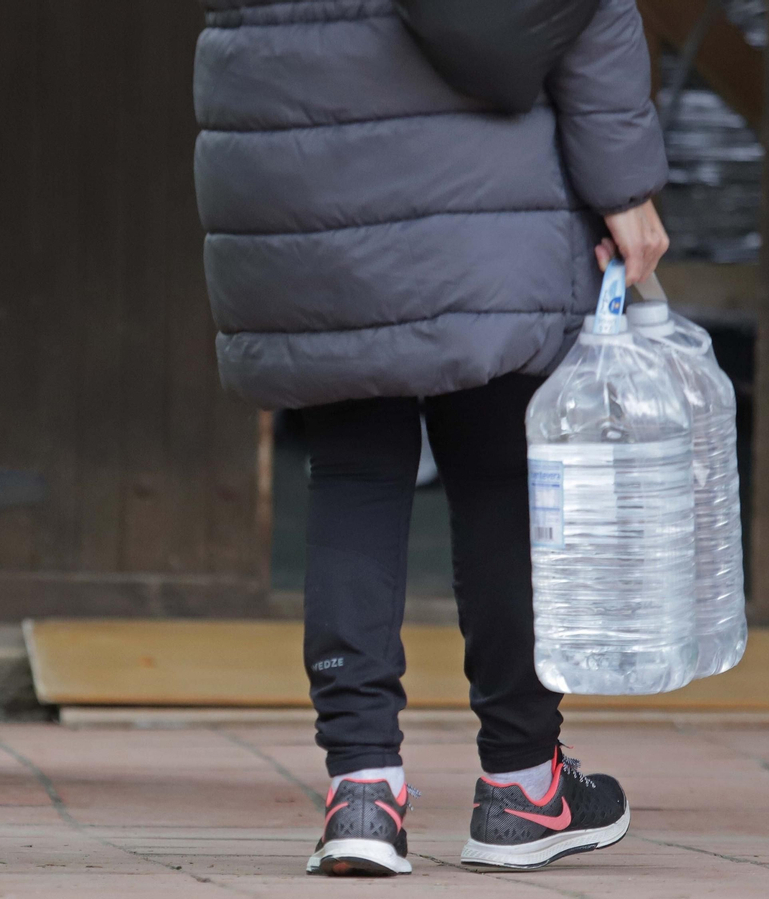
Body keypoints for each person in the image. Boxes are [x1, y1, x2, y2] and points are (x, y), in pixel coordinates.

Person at [193, 0, 670, 876]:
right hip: (484, 192)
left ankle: (363, 789)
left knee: (350, 472)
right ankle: (525, 786)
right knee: (497, 477)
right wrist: (626, 187)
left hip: (298, 173)